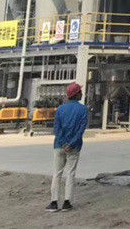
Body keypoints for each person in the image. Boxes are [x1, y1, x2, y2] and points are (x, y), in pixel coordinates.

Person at [47, 82, 88, 212]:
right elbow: (81, 130)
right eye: (80, 92)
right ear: (76, 94)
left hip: (59, 146)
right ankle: (67, 202)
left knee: (57, 173)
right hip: (74, 147)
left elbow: (57, 129)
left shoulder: (60, 109)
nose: (82, 93)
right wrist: (71, 143)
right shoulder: (83, 109)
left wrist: (63, 142)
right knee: (70, 173)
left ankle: (54, 202)